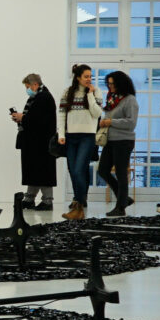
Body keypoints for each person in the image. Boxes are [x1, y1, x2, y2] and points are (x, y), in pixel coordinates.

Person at [55, 64, 103, 221]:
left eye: (90, 76)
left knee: (78, 170)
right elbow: (62, 115)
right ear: (78, 78)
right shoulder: (67, 92)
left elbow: (97, 113)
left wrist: (89, 95)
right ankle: (78, 205)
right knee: (72, 170)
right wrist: (61, 134)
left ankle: (79, 205)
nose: (89, 79)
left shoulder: (95, 91)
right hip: (71, 136)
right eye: (86, 76)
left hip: (87, 137)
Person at [96, 71, 140, 217]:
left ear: (121, 84)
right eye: (108, 83)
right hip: (110, 140)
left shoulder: (130, 100)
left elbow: (131, 123)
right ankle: (124, 198)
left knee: (121, 173)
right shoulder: (111, 98)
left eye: (112, 84)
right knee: (102, 170)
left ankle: (120, 207)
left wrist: (111, 122)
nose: (110, 86)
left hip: (123, 141)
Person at [12, 73, 58, 210]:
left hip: (41, 141)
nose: (27, 89)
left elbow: (38, 119)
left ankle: (47, 201)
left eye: (28, 87)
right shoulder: (38, 97)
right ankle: (29, 198)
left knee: (42, 170)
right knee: (33, 169)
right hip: (34, 141)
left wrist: (22, 117)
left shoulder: (43, 97)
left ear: (35, 85)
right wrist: (22, 118)